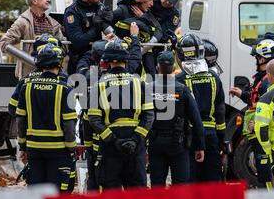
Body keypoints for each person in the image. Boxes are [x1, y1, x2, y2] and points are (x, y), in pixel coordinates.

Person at [88, 40, 154, 190]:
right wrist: (136, 139)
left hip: (110, 148)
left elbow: (94, 119)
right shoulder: (140, 83)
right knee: (137, 196)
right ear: (126, 59)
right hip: (135, 148)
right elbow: (149, 117)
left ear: (106, 61)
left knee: (111, 196)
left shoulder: (98, 85)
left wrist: (114, 140)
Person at [16, 45, 77, 191]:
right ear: (59, 64)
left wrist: (23, 147)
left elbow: (20, 120)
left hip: (34, 150)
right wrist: (71, 148)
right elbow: (69, 124)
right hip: (58, 151)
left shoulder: (27, 87)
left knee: (36, 194)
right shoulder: (65, 89)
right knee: (56, 194)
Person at [229, 34, 274, 189]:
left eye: (258, 58)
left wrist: (258, 123)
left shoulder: (269, 82)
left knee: (266, 172)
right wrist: (242, 94)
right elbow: (258, 100)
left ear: (264, 60)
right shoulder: (264, 79)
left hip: (264, 135)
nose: (256, 62)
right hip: (258, 133)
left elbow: (272, 109)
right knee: (263, 171)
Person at [148, 51, 205, 187]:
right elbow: (196, 120)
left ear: (157, 67)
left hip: (155, 144)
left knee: (157, 186)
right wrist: (200, 146)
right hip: (178, 144)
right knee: (181, 186)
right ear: (174, 68)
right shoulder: (183, 90)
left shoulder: (148, 89)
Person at [176, 33, 226, 182]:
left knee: (190, 181)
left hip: (188, 138)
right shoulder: (214, 77)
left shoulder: (179, 80)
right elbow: (220, 111)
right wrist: (222, 139)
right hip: (211, 136)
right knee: (213, 181)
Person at [0, 0, 65, 79]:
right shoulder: (23, 22)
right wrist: (32, 61)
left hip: (51, 76)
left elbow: (64, 46)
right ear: (35, 1)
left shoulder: (54, 23)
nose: (48, 0)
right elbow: (3, 44)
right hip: (29, 77)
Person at [64, 0, 114, 74]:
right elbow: (78, 41)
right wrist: (96, 27)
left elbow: (111, 31)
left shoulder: (99, 7)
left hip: (99, 58)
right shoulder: (72, 12)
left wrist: (111, 18)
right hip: (79, 61)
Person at [113, 0, 163, 77]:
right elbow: (106, 21)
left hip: (143, 56)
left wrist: (147, 46)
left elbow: (159, 30)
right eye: (150, 0)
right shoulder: (123, 10)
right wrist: (113, 37)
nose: (152, 4)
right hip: (124, 60)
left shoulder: (147, 13)